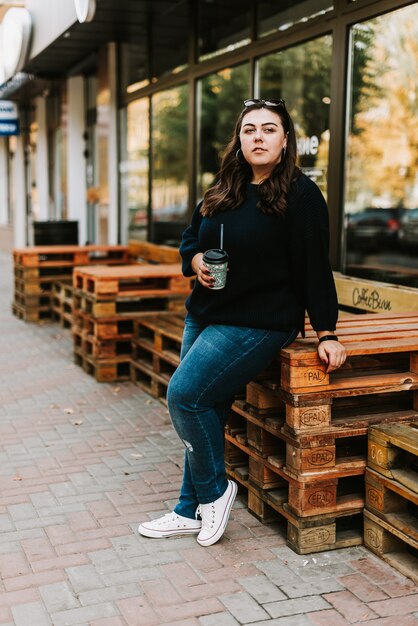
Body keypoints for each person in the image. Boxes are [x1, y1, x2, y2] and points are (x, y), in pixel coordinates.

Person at [138, 98, 347, 547]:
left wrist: (327, 331)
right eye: (250, 129)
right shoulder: (225, 187)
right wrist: (194, 260)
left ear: (285, 140)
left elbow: (314, 267)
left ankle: (216, 492)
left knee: (185, 395)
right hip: (206, 312)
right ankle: (187, 510)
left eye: (269, 129)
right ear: (239, 139)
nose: (258, 137)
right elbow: (190, 237)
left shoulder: (301, 195)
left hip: (259, 320)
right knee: (206, 405)